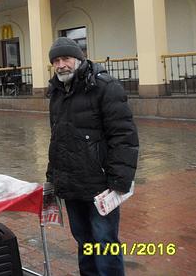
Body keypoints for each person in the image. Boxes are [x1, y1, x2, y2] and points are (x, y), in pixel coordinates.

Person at [45, 37, 139, 276]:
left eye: (65, 58)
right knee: (84, 241)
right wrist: (52, 178)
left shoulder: (105, 87)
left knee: (104, 242)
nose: (61, 65)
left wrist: (119, 182)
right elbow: (57, 138)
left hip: (101, 186)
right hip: (72, 184)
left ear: (79, 59)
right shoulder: (56, 92)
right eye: (56, 60)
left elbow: (124, 136)